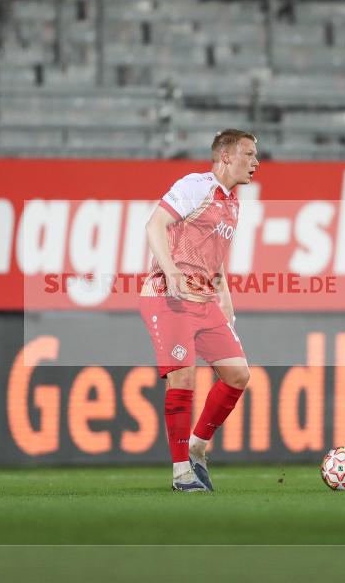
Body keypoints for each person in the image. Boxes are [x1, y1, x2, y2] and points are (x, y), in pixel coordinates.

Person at [140, 129, 259, 492]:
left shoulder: (232, 203)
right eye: (249, 154)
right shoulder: (196, 186)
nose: (256, 162)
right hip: (168, 293)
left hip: (204, 299)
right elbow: (154, 224)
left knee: (238, 375)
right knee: (184, 378)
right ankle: (181, 473)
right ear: (225, 156)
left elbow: (212, 254)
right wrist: (172, 271)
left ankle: (196, 447)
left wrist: (225, 293)